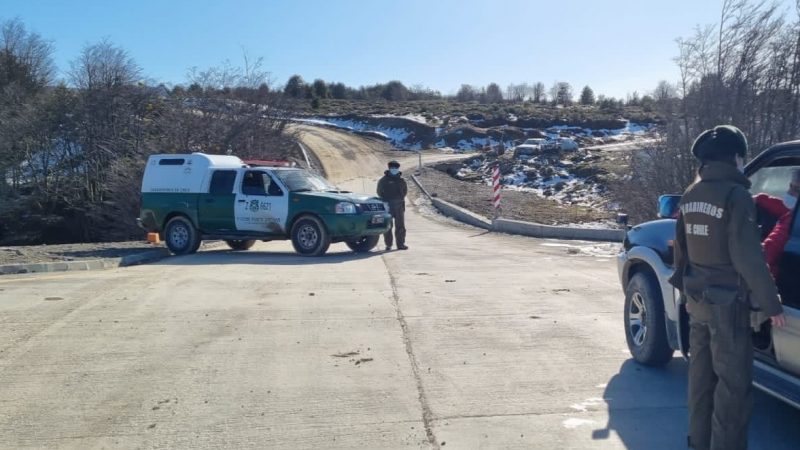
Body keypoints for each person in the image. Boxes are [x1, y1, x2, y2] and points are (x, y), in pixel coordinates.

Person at [668, 125, 785, 450]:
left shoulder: (690, 196)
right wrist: (771, 305)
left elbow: (681, 251)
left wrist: (687, 291)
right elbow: (748, 257)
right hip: (729, 309)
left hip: (698, 304)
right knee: (733, 392)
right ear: (735, 157)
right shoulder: (737, 197)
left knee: (700, 384)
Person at [377, 160, 408, 251]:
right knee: (388, 226)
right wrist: (386, 201)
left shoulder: (401, 180)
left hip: (399, 206)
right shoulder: (383, 180)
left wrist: (399, 199)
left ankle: (401, 244)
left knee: (400, 226)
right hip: (388, 205)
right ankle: (388, 244)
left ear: (398, 169)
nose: (394, 170)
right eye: (392, 168)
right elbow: (379, 192)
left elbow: (404, 191)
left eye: (396, 168)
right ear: (389, 168)